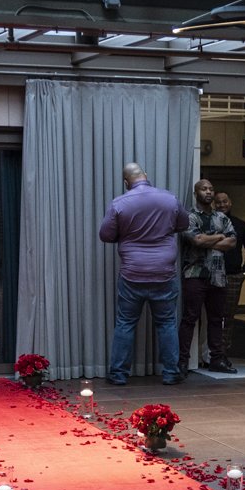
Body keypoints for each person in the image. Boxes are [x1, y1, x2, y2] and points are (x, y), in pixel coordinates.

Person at [99, 162, 189, 386]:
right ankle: (170, 372)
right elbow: (184, 224)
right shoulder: (170, 198)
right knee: (167, 322)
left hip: (132, 272)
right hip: (164, 272)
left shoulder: (120, 203)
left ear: (126, 182)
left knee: (125, 323)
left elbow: (106, 235)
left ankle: (118, 374)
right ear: (146, 176)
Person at [178, 179, 237, 374]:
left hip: (218, 275)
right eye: (204, 189)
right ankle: (183, 361)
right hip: (195, 274)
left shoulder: (222, 217)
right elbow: (196, 239)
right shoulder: (189, 216)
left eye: (211, 189)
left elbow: (232, 242)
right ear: (196, 193)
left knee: (216, 319)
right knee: (190, 318)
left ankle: (216, 359)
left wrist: (208, 240)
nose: (209, 192)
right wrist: (219, 236)